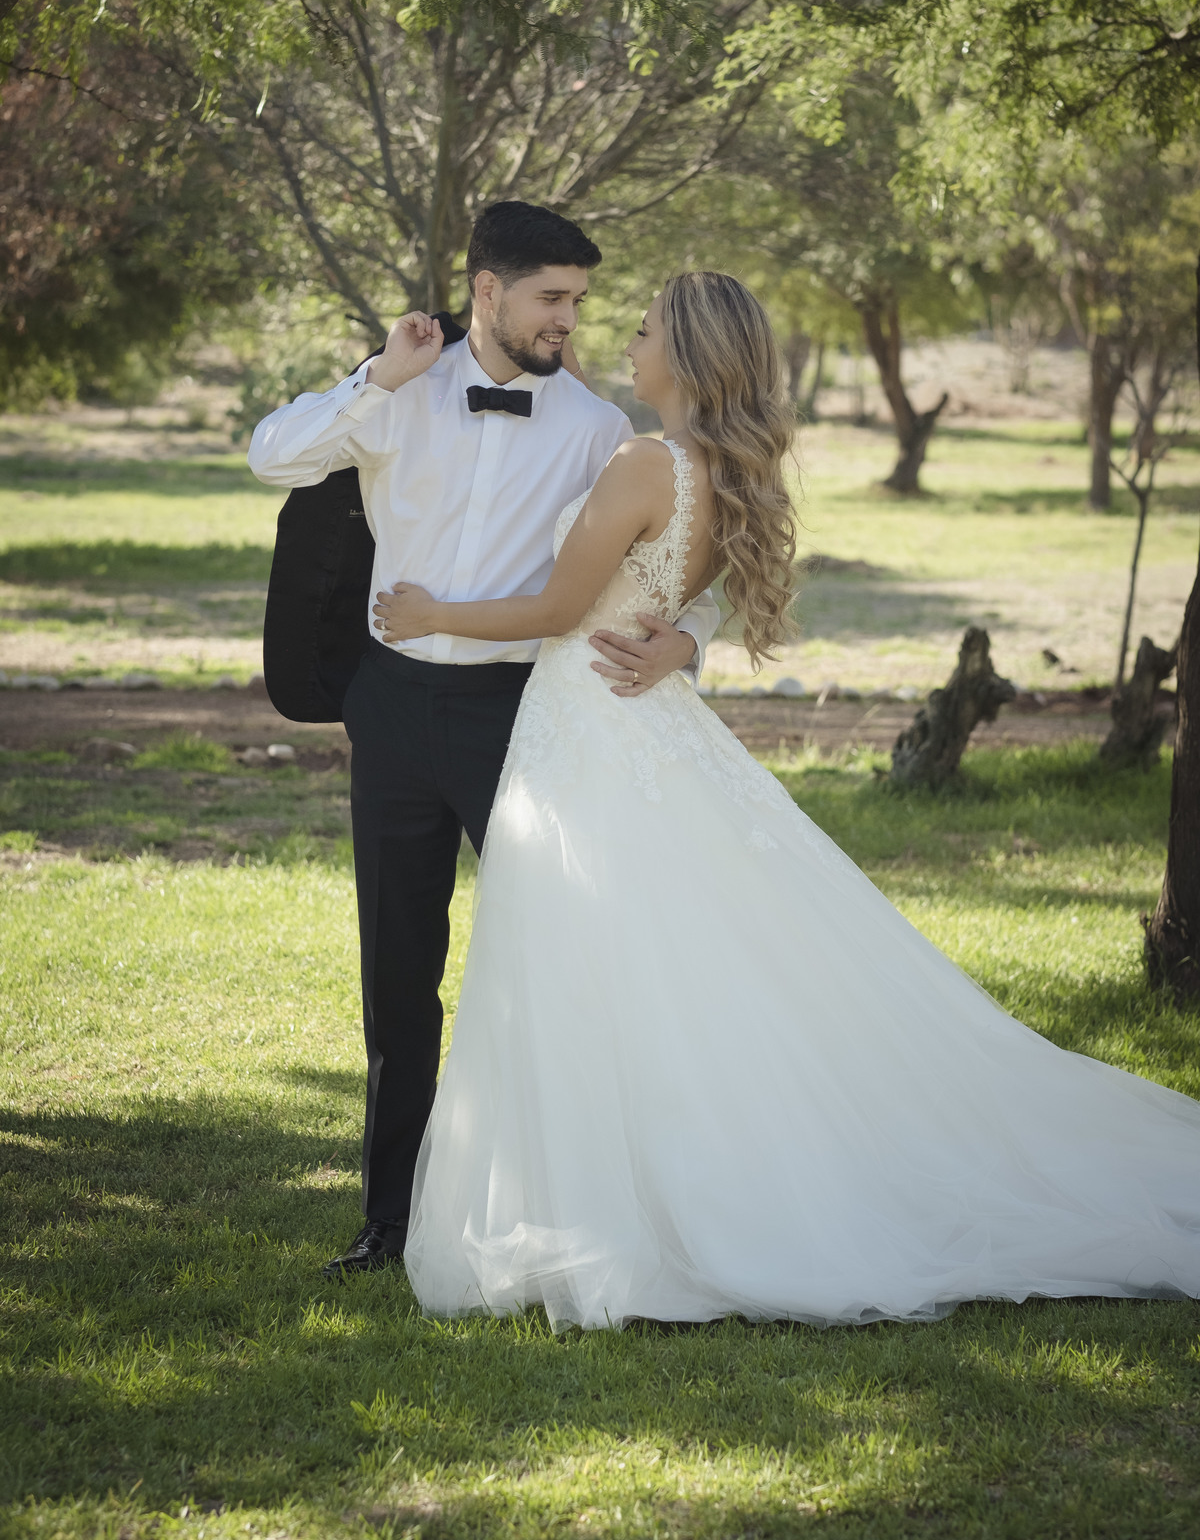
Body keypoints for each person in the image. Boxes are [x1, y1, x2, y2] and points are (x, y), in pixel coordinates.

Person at [375, 269, 1200, 1331]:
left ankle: (626, 1206)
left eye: (642, 330)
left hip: (586, 721)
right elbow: (689, 583)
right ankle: (646, 1187)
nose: (623, 341)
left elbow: (558, 607)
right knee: (660, 968)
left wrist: (434, 607)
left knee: (587, 963)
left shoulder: (639, 464)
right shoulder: (719, 469)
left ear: (690, 355)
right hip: (644, 726)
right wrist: (687, 636)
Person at [247, 203, 719, 1277]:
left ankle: (584, 1208)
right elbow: (272, 458)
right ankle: (390, 1219)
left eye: (581, 303)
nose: (569, 320)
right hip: (393, 709)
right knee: (397, 971)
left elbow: (688, 560)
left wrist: (687, 640)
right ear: (487, 292)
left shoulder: (600, 428)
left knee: (556, 963)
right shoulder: (395, 399)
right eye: (552, 298)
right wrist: (376, 376)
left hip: (530, 718)